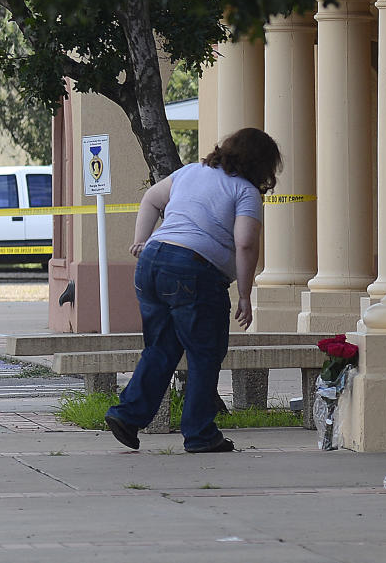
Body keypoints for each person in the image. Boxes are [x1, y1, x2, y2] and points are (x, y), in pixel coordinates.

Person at [105, 128, 282, 453]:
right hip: (194, 271)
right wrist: (245, 293)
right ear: (262, 165)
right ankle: (200, 434)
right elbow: (245, 243)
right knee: (205, 352)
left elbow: (151, 199)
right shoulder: (245, 192)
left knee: (161, 346)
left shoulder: (190, 172)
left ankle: (127, 415)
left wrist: (140, 241)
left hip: (152, 263)